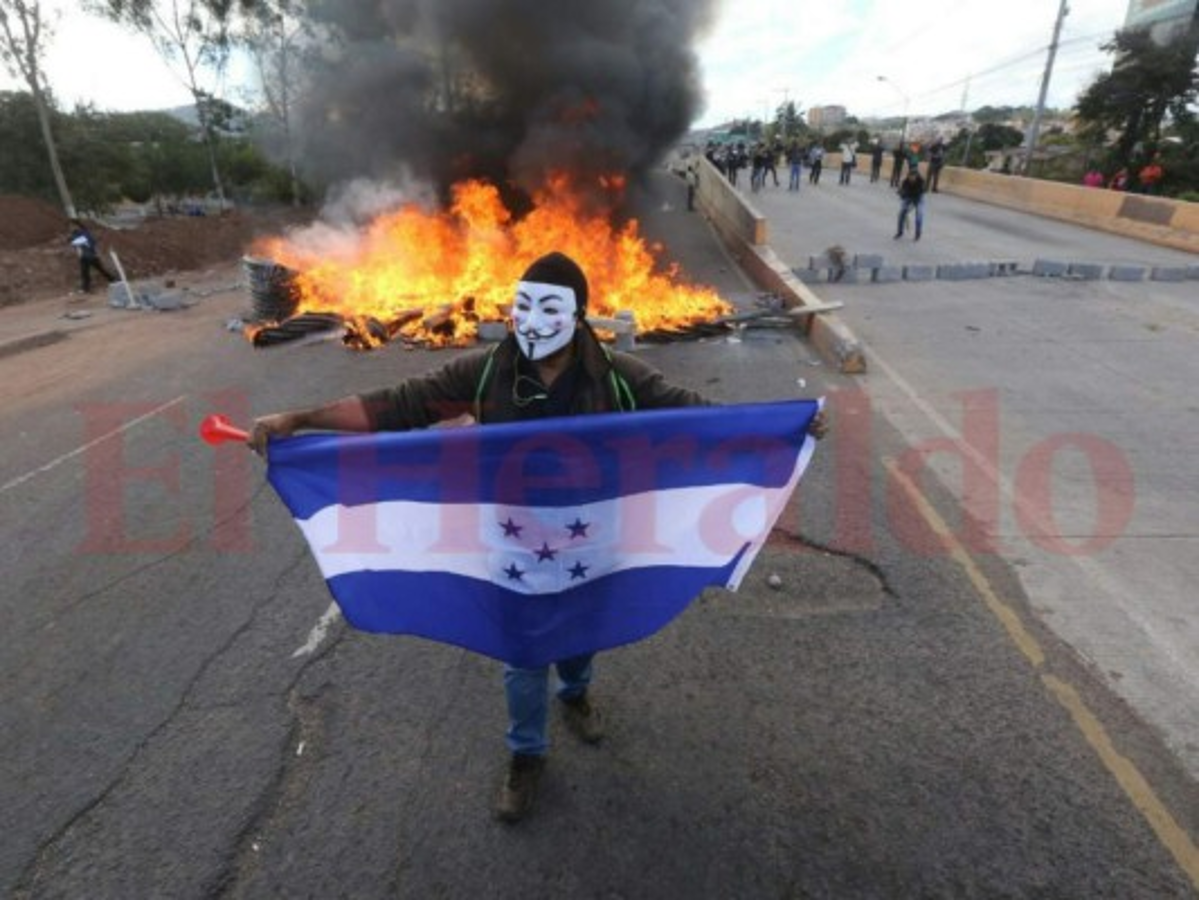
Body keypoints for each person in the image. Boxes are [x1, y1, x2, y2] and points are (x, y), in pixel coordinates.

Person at [248, 250, 829, 823]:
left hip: (594, 539)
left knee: (581, 631)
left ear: (578, 316)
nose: (530, 319)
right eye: (521, 305)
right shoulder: (484, 371)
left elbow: (699, 420)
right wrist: (300, 419)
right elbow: (395, 407)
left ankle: (575, 692)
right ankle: (526, 755)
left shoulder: (618, 377)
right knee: (523, 653)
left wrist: (783, 430)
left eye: (547, 307)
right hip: (514, 544)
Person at [68, 219, 116, 294]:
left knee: (95, 270)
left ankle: (112, 280)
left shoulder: (84, 233)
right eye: (70, 226)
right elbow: (73, 242)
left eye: (72, 226)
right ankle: (111, 280)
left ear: (77, 225)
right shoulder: (76, 234)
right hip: (84, 256)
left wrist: (75, 241)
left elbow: (91, 242)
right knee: (87, 272)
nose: (70, 227)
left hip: (90, 255)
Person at [895, 165, 927, 241]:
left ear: (916, 176)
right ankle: (900, 232)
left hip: (919, 198)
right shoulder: (905, 182)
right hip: (909, 197)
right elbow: (902, 195)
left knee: (919, 215)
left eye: (913, 176)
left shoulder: (921, 182)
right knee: (901, 213)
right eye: (910, 176)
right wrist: (901, 193)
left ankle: (917, 234)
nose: (911, 178)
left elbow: (920, 192)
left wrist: (906, 193)